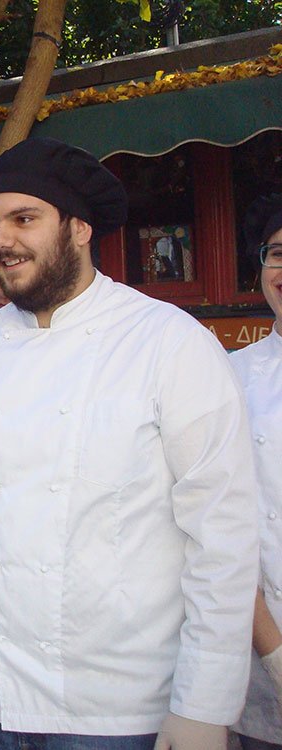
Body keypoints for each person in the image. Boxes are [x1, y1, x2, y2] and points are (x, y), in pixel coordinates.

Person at [0, 137, 259, 750]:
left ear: (80, 228)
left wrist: (205, 702)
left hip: (119, 707)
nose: (2, 241)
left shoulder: (169, 343)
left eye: (24, 219)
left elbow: (221, 535)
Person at [232, 194, 282, 750]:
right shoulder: (228, 379)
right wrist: (274, 652)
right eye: (278, 254)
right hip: (260, 656)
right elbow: (216, 526)